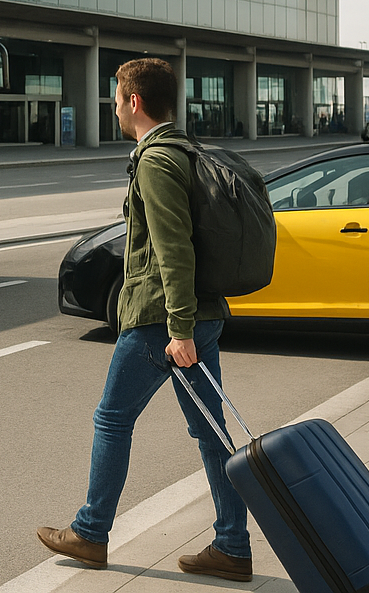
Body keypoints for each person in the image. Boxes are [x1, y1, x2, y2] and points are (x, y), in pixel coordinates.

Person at [36, 57, 253, 581]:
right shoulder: (184, 150)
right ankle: (233, 546)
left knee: (112, 419)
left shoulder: (155, 161)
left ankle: (90, 532)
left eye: (115, 97)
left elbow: (173, 249)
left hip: (161, 320)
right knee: (211, 433)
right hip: (197, 315)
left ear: (134, 101)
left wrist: (178, 329)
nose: (112, 107)